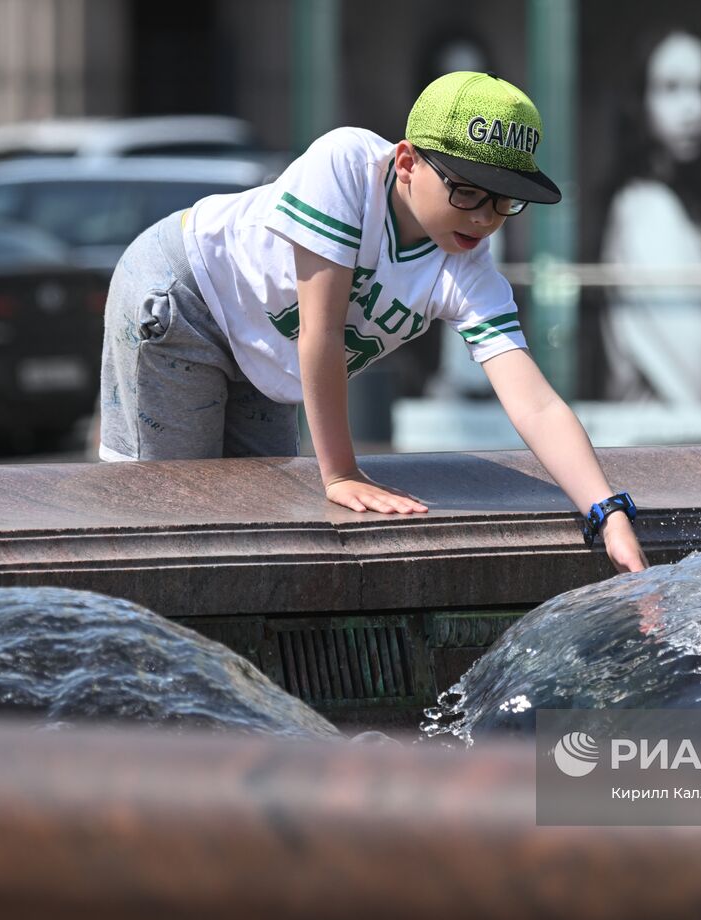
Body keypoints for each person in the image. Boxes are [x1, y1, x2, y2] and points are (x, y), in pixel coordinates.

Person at [99, 72, 646, 573]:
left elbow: (536, 402)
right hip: (187, 298)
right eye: (468, 191)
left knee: (257, 529)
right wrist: (339, 473)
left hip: (267, 350)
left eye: (505, 202)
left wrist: (606, 510)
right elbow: (322, 330)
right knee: (171, 521)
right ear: (407, 163)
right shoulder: (347, 165)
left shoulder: (469, 270)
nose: (484, 217)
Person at [597, 29, 701, 405]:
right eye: (671, 87)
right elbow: (696, 367)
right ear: (641, 101)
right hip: (664, 441)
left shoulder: (691, 204)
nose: (692, 108)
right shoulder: (646, 208)